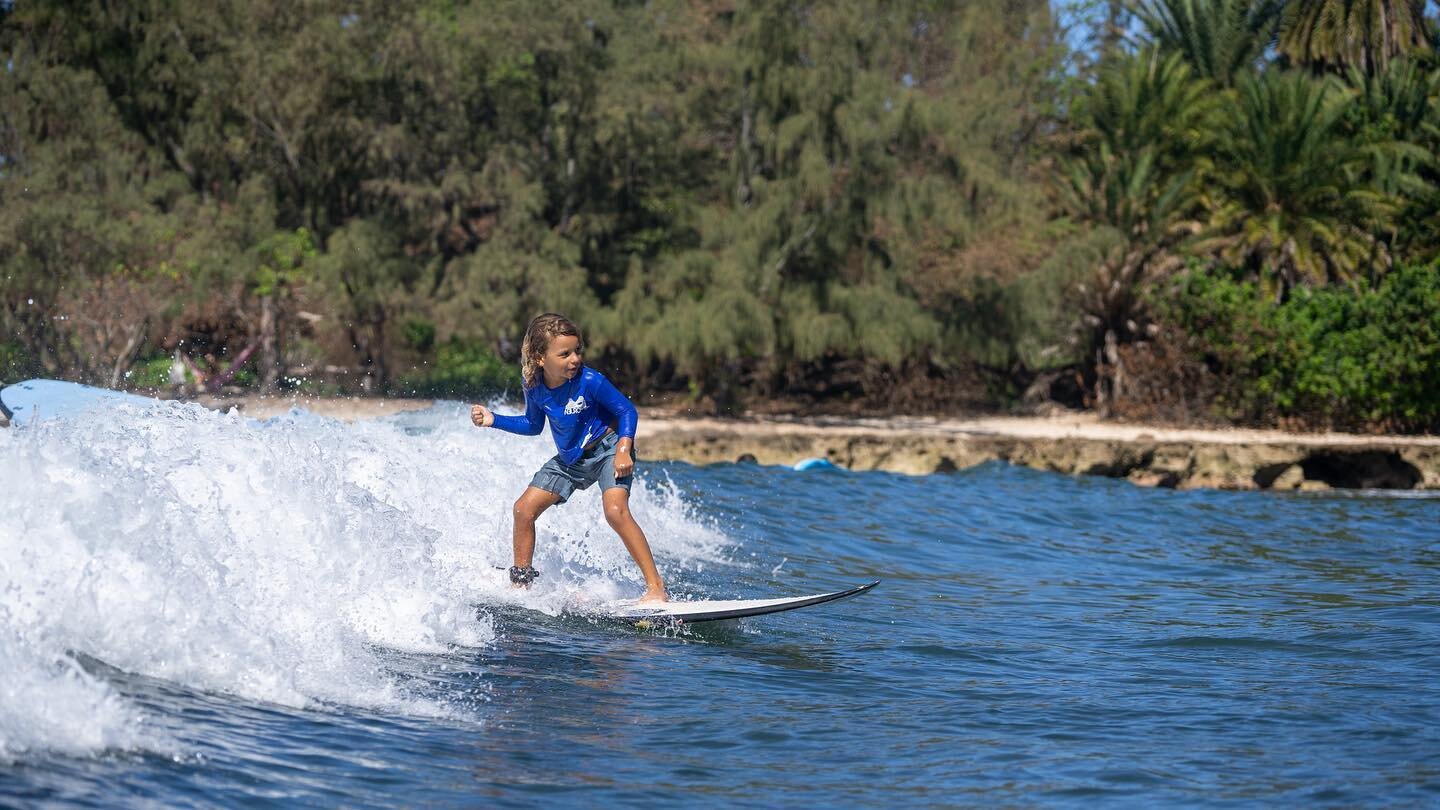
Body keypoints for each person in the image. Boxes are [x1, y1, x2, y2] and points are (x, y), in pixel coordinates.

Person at [471, 313, 668, 603]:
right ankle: (521, 585)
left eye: (577, 351)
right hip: (570, 460)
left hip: (609, 449)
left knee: (615, 511)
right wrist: (492, 419)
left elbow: (628, 411)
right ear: (540, 357)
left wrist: (624, 449)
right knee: (523, 509)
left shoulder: (591, 381)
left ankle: (656, 589)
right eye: (564, 354)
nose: (574, 359)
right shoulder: (534, 387)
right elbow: (533, 425)